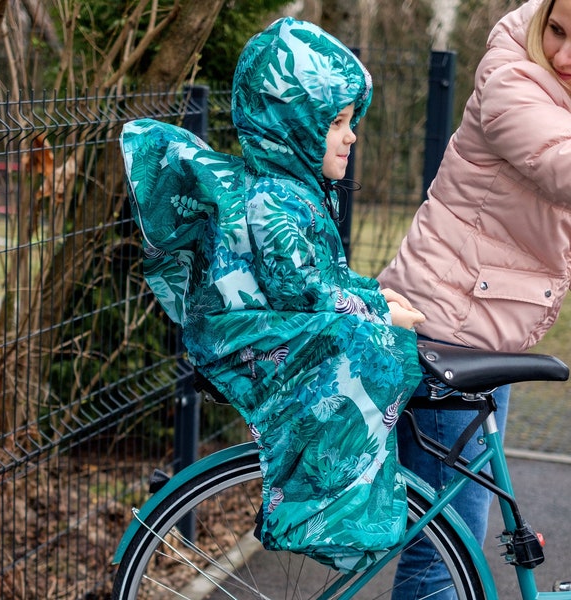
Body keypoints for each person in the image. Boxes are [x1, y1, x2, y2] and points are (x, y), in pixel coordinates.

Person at [121, 17, 425, 573]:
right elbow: (300, 286)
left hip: (272, 324)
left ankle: (335, 498)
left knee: (373, 339)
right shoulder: (276, 200)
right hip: (253, 337)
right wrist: (378, 308)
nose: (351, 134)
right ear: (294, 129)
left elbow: (323, 279)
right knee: (370, 349)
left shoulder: (296, 192)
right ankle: (322, 511)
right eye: (336, 122)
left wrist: (372, 294)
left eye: (352, 121)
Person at [378, 0, 571, 597]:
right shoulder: (513, 77)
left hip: (480, 325)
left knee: (456, 535)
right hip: (449, 327)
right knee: (447, 548)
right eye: (557, 31)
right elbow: (559, 165)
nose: (563, 54)